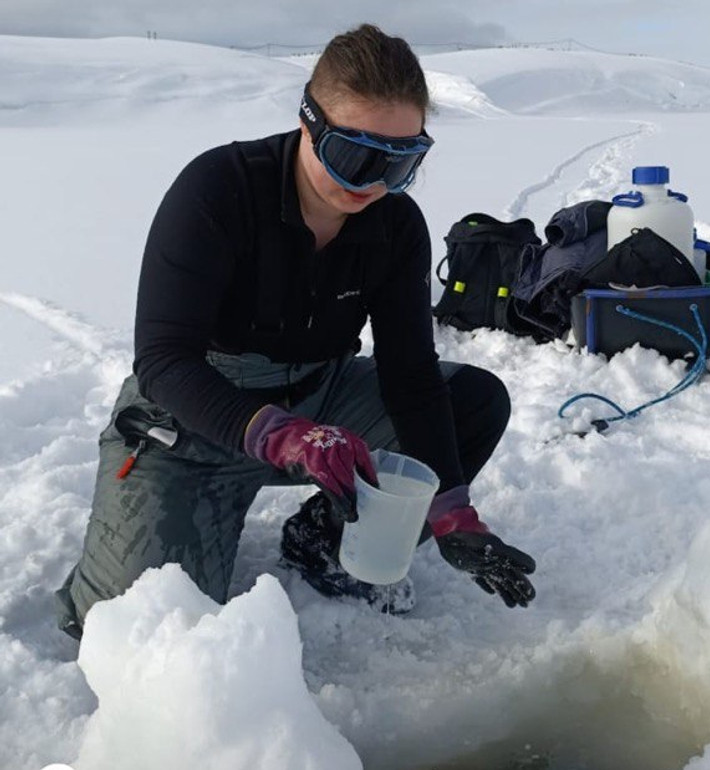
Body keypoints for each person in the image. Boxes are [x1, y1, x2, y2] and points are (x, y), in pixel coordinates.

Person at [55, 24, 536, 640]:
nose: (373, 184)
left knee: (473, 400)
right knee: (135, 630)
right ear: (309, 122)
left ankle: (325, 544)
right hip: (196, 418)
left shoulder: (396, 225)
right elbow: (163, 359)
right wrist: (281, 436)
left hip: (321, 405)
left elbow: (410, 375)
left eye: (402, 162)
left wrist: (450, 510)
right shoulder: (219, 190)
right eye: (355, 156)